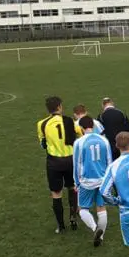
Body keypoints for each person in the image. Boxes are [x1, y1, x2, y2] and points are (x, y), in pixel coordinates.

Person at [37, 96, 83, 233]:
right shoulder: (70, 121)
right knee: (72, 188)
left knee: (56, 193)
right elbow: (80, 136)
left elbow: (43, 144)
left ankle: (61, 226)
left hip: (54, 162)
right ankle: (73, 218)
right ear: (59, 107)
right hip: (70, 160)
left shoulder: (42, 124)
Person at [72, 116, 112, 246]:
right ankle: (101, 238)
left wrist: (76, 182)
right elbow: (109, 161)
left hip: (87, 181)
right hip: (102, 180)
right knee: (101, 208)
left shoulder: (79, 142)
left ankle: (95, 229)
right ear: (93, 126)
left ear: (82, 128)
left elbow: (76, 164)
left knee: (83, 208)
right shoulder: (104, 140)